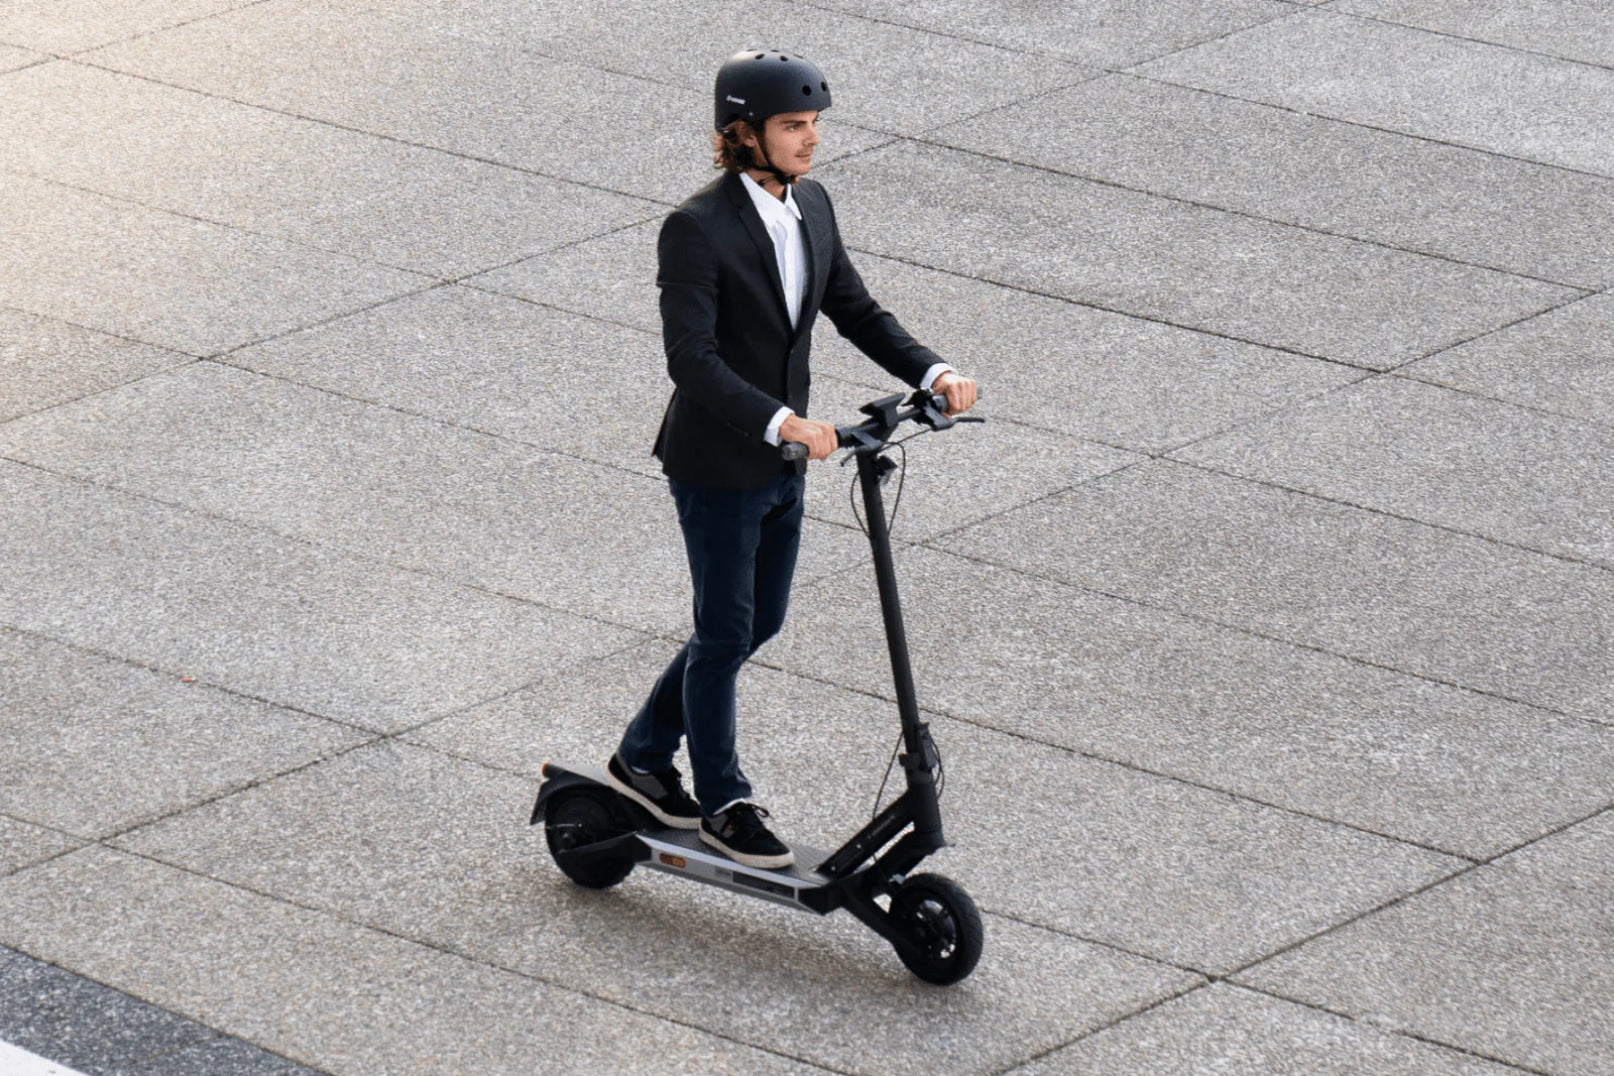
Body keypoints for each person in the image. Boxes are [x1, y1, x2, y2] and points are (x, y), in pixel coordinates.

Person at [606, 48, 978, 870]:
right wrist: (781, 420)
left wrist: (932, 370)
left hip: (785, 463)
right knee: (725, 629)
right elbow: (691, 360)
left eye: (813, 125)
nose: (811, 141)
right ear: (742, 134)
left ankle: (640, 756)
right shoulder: (696, 228)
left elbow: (853, 307)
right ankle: (722, 802)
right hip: (716, 463)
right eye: (792, 126)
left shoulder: (811, 205)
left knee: (755, 622)